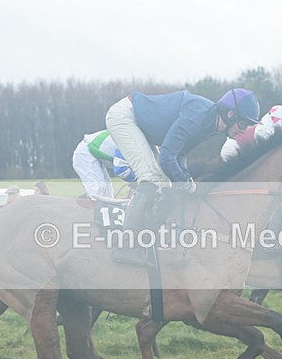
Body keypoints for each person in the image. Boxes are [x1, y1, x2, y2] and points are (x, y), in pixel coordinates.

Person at [105, 87, 261, 264]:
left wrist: (187, 179)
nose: (244, 131)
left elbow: (180, 153)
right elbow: (166, 157)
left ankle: (149, 239)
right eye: (243, 124)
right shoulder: (199, 115)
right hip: (126, 117)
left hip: (142, 126)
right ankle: (125, 247)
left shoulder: (211, 123)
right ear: (230, 114)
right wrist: (186, 183)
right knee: (152, 180)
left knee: (166, 186)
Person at [72, 130, 136, 198]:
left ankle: (88, 198)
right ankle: (88, 199)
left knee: (107, 194)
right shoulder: (128, 142)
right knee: (98, 190)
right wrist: (138, 181)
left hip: (94, 153)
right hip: (85, 153)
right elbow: (121, 170)